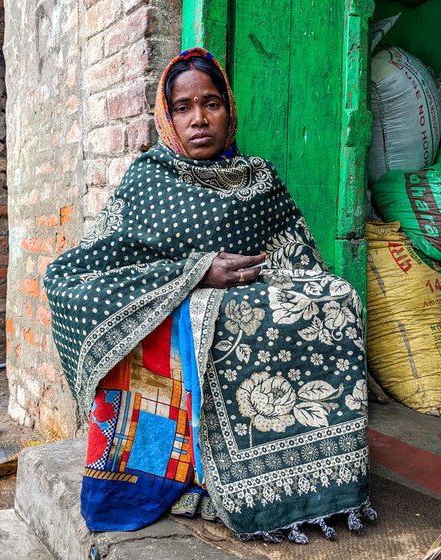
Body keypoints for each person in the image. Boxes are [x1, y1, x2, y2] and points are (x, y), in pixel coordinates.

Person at [45, 48, 375, 544]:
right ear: (167, 116)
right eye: (183, 107)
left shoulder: (259, 178)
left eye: (211, 103)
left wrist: (265, 288)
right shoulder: (147, 180)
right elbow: (91, 271)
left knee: (337, 297)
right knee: (181, 318)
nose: (199, 119)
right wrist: (196, 274)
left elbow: (299, 260)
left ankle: (308, 476)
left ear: (229, 110)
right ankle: (177, 471)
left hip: (248, 304)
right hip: (173, 322)